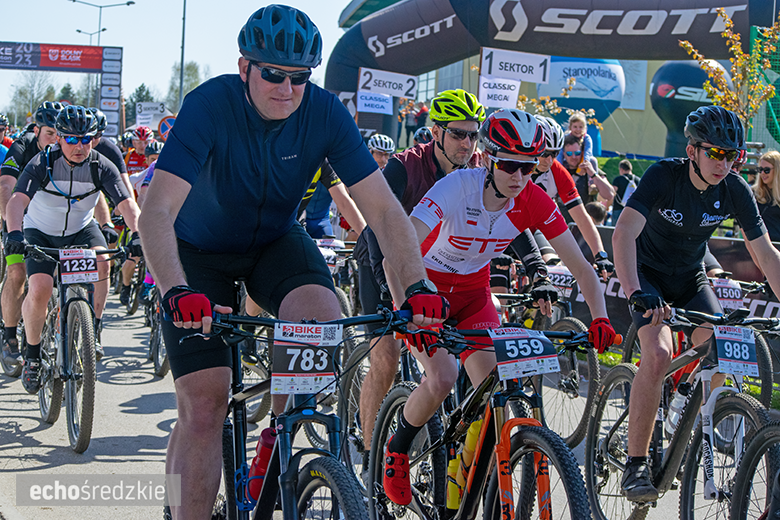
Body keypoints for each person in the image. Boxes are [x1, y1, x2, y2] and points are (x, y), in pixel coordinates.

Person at [136, 7, 448, 519]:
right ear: (244, 68)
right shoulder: (209, 104)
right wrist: (174, 290)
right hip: (198, 253)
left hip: (274, 242)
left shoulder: (325, 113)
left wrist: (415, 285)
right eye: (272, 74)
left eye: (299, 77)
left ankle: (276, 435)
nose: (286, 87)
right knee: (205, 404)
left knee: (322, 316)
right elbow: (156, 214)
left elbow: (386, 214)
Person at [381, 108, 615, 505]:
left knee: (498, 387)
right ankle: (397, 449)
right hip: (426, 292)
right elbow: (394, 256)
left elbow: (581, 266)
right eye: (509, 164)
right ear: (488, 157)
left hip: (474, 296)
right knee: (442, 377)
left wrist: (601, 318)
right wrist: (407, 310)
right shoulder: (457, 187)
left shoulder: (533, 199)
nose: (519, 177)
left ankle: (464, 476)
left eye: (528, 167)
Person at [612, 105, 780, 503]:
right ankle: (636, 463)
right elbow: (622, 235)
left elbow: (765, 253)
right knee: (657, 352)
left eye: (732, 155)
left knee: (721, 349)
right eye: (715, 153)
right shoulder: (663, 176)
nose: (724, 163)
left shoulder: (734, 188)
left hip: (690, 278)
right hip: (649, 275)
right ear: (693, 151)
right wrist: (636, 290)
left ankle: (683, 403)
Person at [4, 105, 142, 393]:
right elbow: (17, 201)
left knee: (104, 263)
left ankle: (94, 328)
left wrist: (139, 233)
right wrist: (14, 232)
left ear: (93, 139)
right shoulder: (42, 162)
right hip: (40, 230)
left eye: (86, 139)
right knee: (40, 287)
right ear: (59, 139)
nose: (79, 146)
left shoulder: (101, 165)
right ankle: (31, 355)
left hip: (81, 229)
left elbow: (126, 204)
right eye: (71, 139)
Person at [0, 101, 62, 366]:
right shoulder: (21, 146)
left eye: (61, 134)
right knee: (17, 273)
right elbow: (5, 185)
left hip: (51, 223)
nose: (55, 140)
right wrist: (12, 227)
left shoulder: (69, 150)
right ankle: (10, 334)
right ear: (36, 130)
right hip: (19, 220)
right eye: (49, 133)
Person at [530, 115, 614, 275]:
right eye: (545, 153)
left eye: (554, 154)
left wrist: (601, 255)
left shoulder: (558, 172)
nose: (549, 160)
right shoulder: (513, 167)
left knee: (553, 266)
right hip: (503, 225)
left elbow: (582, 218)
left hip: (536, 226)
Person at [561, 133, 614, 207]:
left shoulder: (591, 170)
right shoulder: (560, 171)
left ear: (582, 153)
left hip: (588, 216)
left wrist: (593, 174)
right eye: (569, 153)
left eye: (577, 153)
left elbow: (609, 195)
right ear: (564, 154)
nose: (573, 156)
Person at [610, 159, 639, 225]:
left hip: (618, 208)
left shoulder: (618, 180)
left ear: (621, 169)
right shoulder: (638, 180)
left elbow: (612, 193)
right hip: (632, 209)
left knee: (615, 229)